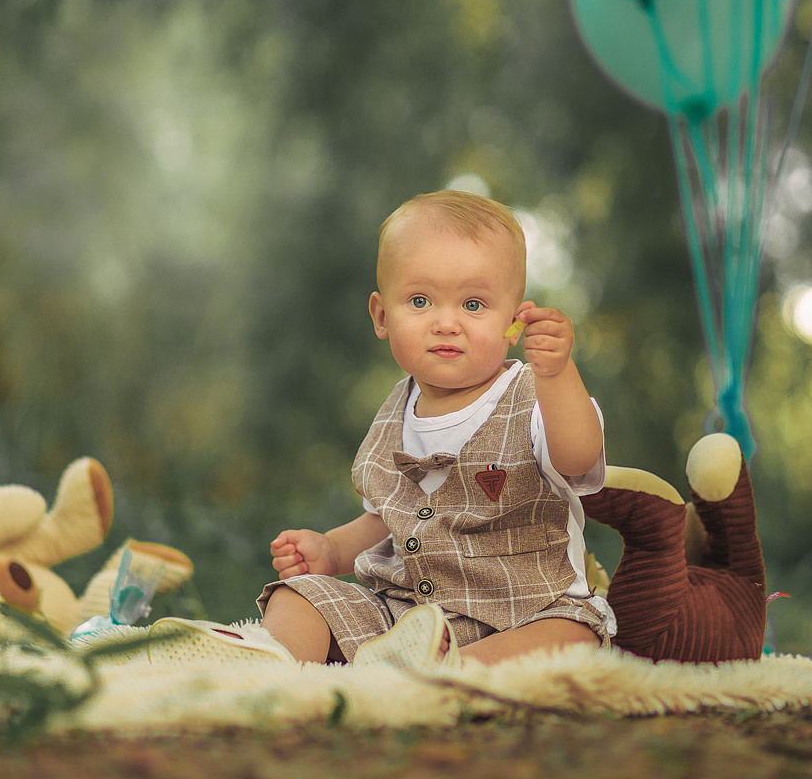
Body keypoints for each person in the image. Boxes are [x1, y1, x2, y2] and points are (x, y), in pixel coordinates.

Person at [253, 189, 615, 668]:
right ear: (382, 316)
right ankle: (270, 675)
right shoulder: (394, 413)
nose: (446, 323)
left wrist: (558, 374)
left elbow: (578, 457)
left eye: (473, 305)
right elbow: (386, 519)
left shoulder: (535, 395)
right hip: (407, 617)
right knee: (297, 596)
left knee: (571, 636)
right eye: (420, 301)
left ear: (513, 322)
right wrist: (330, 551)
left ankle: (454, 672)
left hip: (528, 612)